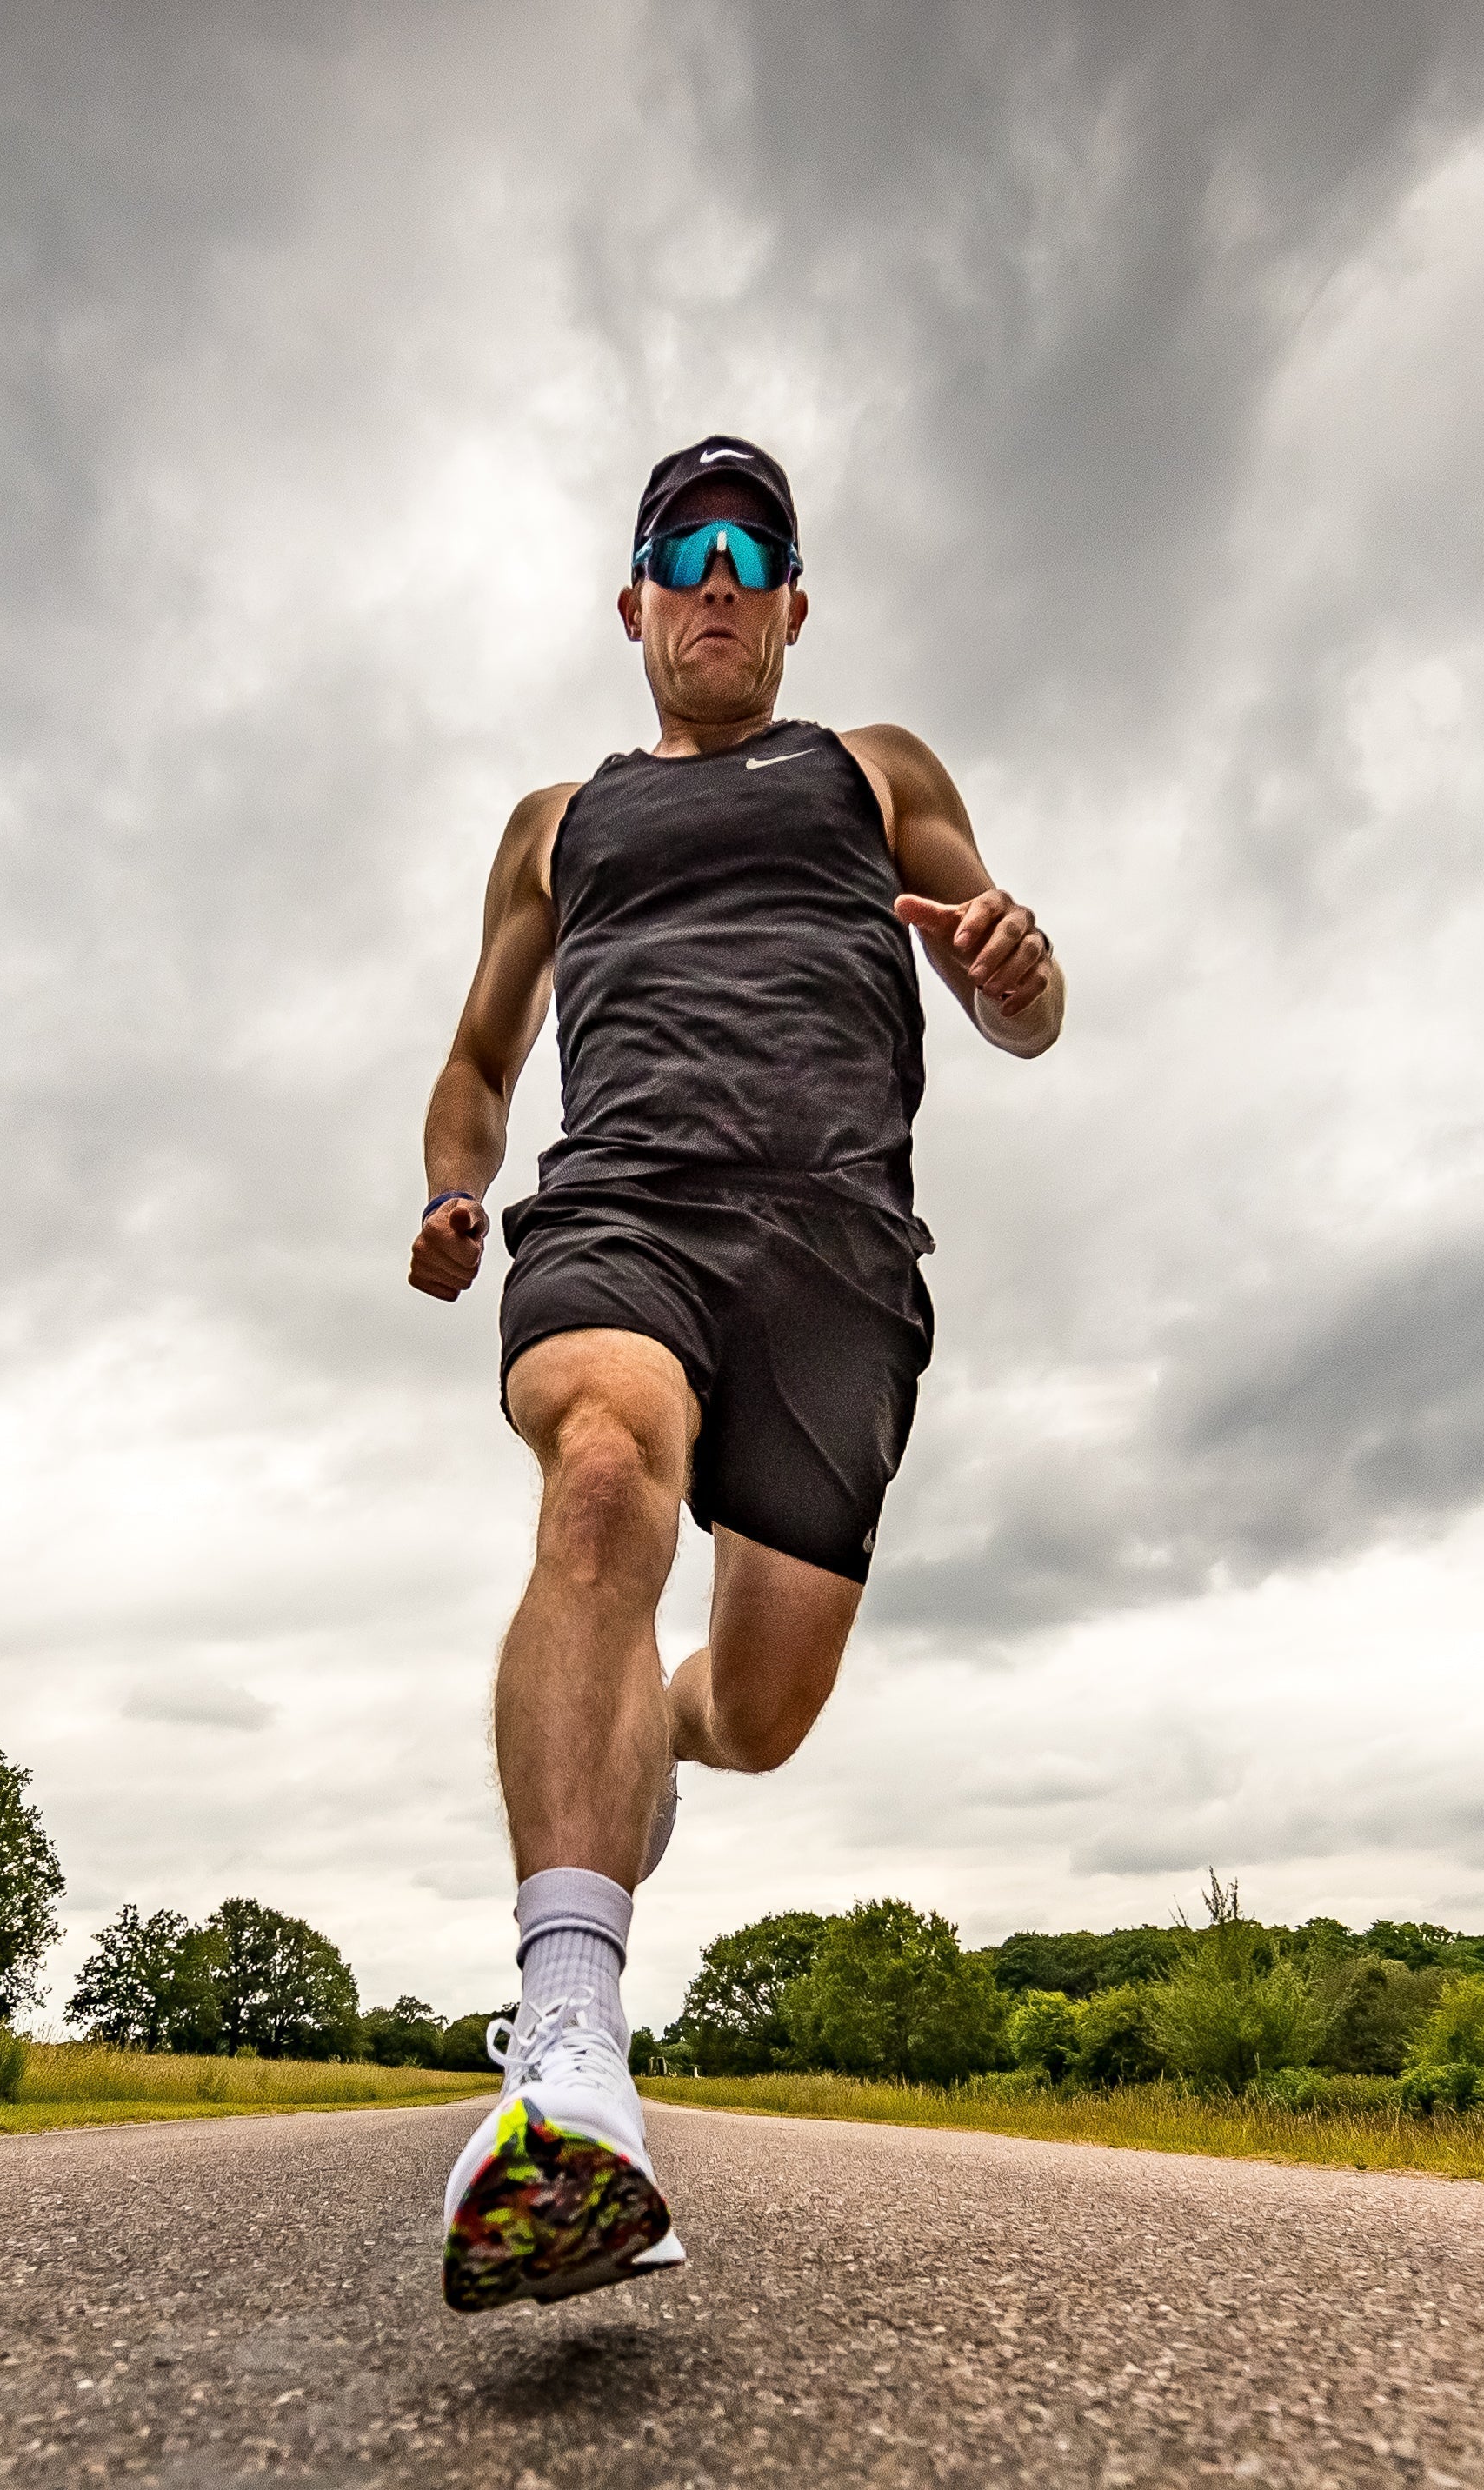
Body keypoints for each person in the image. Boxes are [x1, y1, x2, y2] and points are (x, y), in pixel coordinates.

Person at [405, 435, 1067, 2310]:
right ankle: (571, 2048)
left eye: (750, 549)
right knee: (603, 1470)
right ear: (631, 604)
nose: (715, 574)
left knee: (765, 1707)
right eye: (680, 549)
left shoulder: (878, 771)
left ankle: (661, 1741)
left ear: (789, 601)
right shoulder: (557, 820)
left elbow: (1024, 1003)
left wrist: (1013, 972)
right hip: (622, 1208)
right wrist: (460, 1190)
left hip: (838, 1257)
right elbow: (476, 1056)